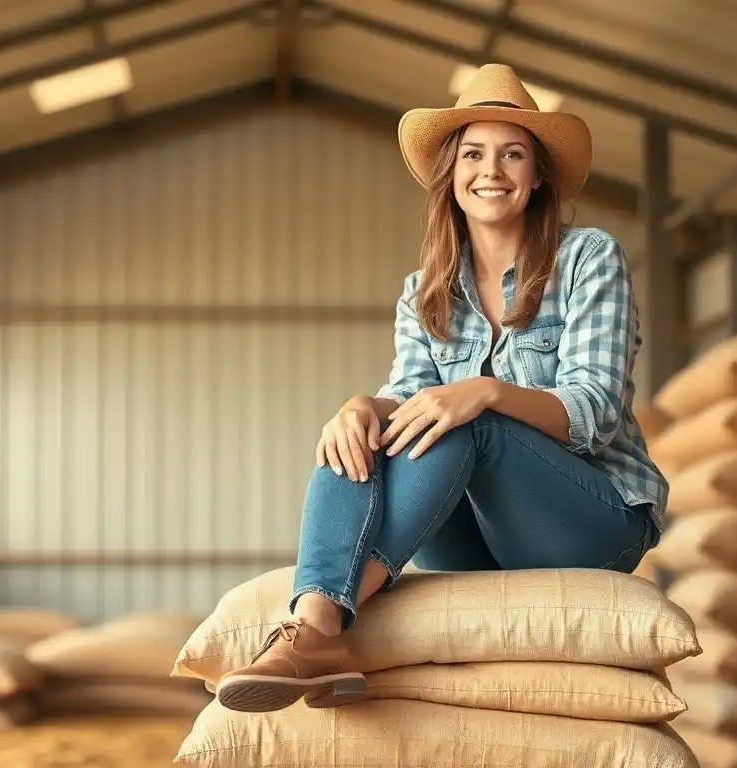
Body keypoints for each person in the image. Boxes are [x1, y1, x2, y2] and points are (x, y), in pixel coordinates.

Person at [213, 64, 670, 715]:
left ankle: (317, 628)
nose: (493, 170)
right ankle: (318, 630)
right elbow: (410, 398)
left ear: (538, 174)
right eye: (475, 154)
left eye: (513, 154)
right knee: (364, 433)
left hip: (590, 518)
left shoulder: (588, 259)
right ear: (451, 175)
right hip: (474, 533)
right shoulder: (424, 289)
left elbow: (593, 412)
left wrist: (484, 392)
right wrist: (360, 407)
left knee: (468, 419)